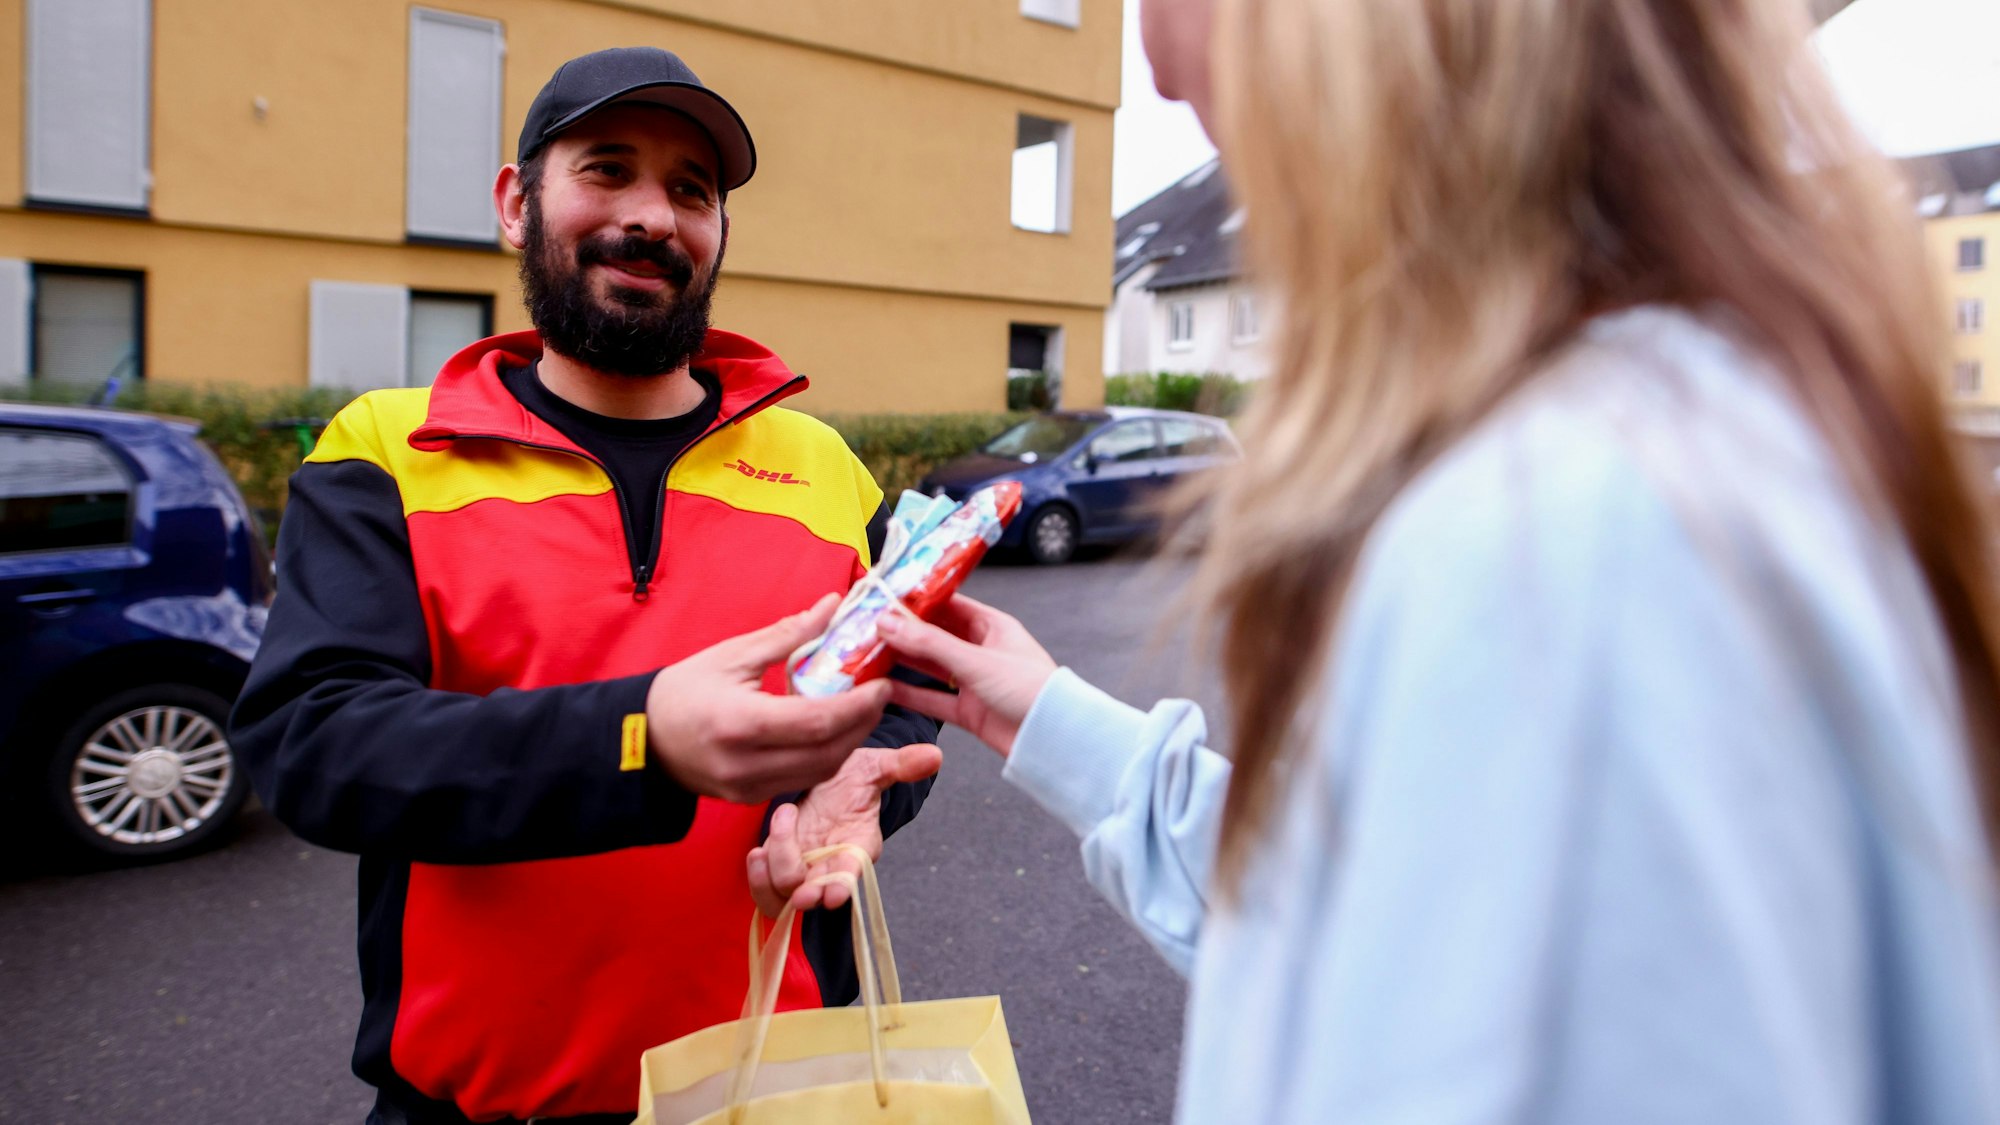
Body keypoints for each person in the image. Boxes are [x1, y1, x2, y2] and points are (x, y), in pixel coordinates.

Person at [811, 0, 2000, 1120]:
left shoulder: (1557, 553)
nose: (1162, 70)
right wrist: (1048, 723)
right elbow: (1370, 914)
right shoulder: (1674, 455)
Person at [229, 47, 942, 1125]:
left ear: (717, 236)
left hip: (776, 1095)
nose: (654, 215)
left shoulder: (825, 470)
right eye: (607, 169)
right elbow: (313, 743)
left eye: (690, 190)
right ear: (518, 205)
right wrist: (638, 735)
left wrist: (853, 789)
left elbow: (892, 696)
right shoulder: (386, 450)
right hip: (478, 1104)